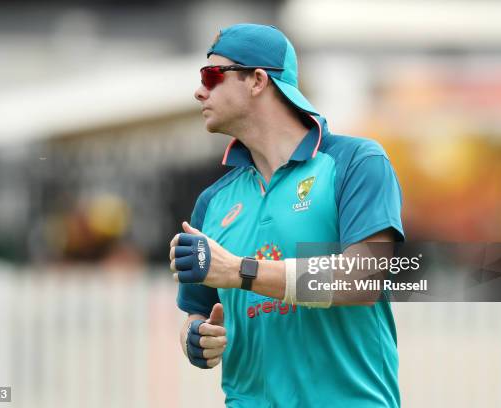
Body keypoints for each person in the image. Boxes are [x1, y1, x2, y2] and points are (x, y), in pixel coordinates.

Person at [169, 23, 404, 407]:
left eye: (211, 76)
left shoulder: (355, 162)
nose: (199, 91)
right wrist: (197, 338)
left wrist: (241, 271)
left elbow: (363, 279)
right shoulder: (213, 201)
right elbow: (197, 310)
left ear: (258, 81)